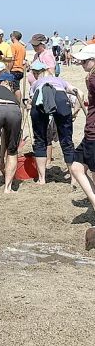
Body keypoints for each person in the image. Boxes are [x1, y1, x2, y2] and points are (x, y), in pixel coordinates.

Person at [28, 60, 80, 184]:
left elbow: (30, 101)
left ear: (37, 73)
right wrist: (75, 111)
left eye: (35, 73)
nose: (34, 75)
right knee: (66, 139)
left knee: (40, 139)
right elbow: (79, 93)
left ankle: (42, 179)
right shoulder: (60, 80)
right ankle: (73, 179)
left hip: (40, 96)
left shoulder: (35, 84)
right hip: (61, 97)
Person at [67, 46, 95, 224]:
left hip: (94, 133)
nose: (82, 64)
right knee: (76, 167)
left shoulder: (93, 79)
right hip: (90, 131)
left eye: (85, 61)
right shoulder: (90, 77)